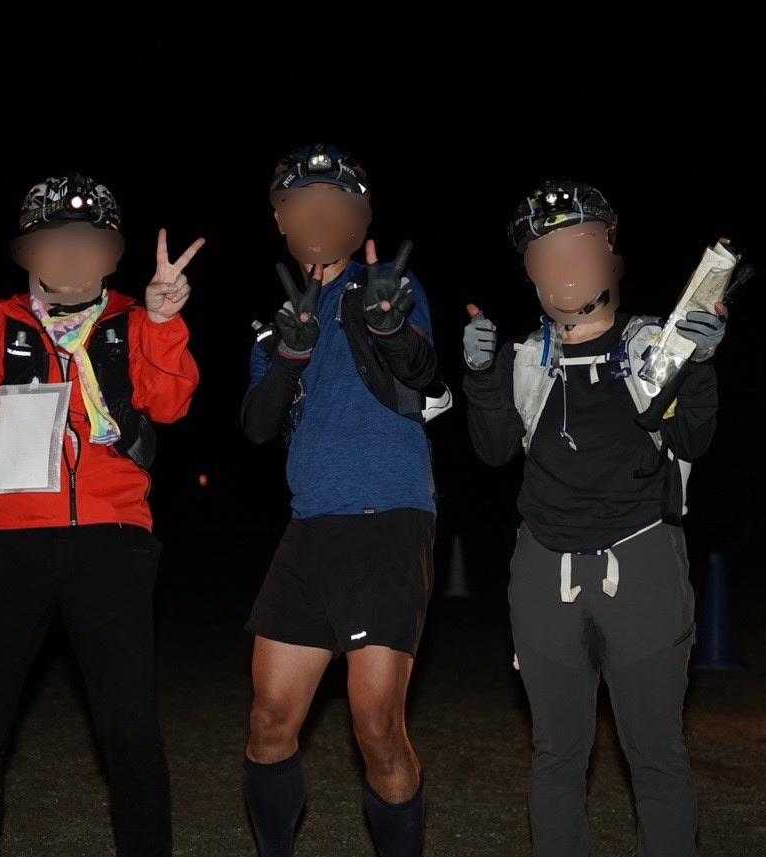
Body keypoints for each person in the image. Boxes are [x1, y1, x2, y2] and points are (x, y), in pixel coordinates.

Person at [0, 172, 204, 857]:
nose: (71, 254)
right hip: (5, 543)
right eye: (52, 241)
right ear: (26, 254)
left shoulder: (133, 320)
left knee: (130, 731)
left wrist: (164, 324)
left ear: (112, 255)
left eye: (87, 241)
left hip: (113, 541)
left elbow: (171, 404)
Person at [463, 180, 727, 857]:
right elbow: (492, 450)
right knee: (556, 751)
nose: (564, 265)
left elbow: (694, 439)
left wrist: (698, 363)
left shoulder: (653, 347)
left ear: (611, 253)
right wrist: (481, 373)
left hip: (642, 560)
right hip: (542, 568)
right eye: (544, 253)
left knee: (655, 753)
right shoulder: (526, 359)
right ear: (528, 271)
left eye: (578, 246)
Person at [239, 144, 443, 857]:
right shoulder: (277, 320)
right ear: (281, 219)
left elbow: (422, 370)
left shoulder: (390, 287)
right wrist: (289, 354)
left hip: (388, 519)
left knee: (377, 727)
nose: (318, 215)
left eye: (335, 203)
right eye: (303, 203)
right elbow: (257, 425)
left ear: (360, 219)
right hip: (309, 528)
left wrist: (389, 326)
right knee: (269, 719)